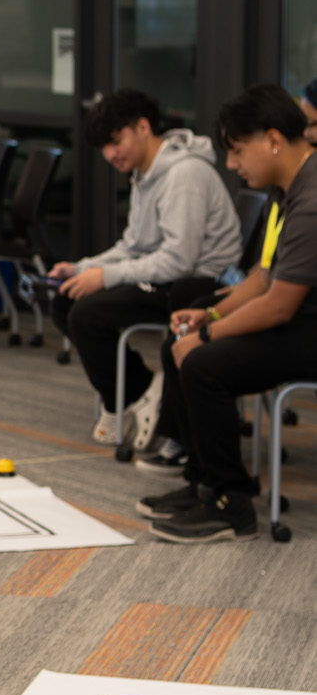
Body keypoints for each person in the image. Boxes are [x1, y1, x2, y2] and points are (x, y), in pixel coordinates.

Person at [139, 83, 317, 544]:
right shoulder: (290, 187)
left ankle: (231, 504)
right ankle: (204, 483)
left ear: (273, 140)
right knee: (182, 333)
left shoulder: (312, 200)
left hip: (308, 330)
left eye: (238, 151)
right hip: (299, 319)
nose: (233, 165)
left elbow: (278, 305)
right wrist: (209, 318)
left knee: (202, 363)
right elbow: (262, 277)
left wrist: (208, 339)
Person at [46, 90, 242, 452]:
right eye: (104, 147)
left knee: (86, 313)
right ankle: (136, 392)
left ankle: (132, 393)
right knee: (65, 299)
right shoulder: (144, 173)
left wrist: (104, 278)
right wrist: (81, 269)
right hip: (167, 278)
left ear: (143, 126)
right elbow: (134, 244)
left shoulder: (184, 174)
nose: (110, 154)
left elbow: (177, 260)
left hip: (198, 286)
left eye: (115, 141)